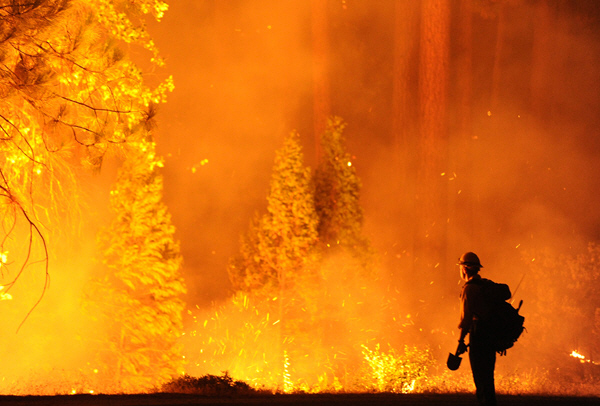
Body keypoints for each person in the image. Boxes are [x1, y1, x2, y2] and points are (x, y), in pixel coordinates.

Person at [456, 252, 511, 406]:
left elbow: (465, 319)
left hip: (478, 334)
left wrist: (460, 341)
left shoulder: (469, 289)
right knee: (488, 377)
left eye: (461, 267)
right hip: (490, 336)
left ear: (465, 269)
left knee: (480, 378)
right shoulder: (485, 285)